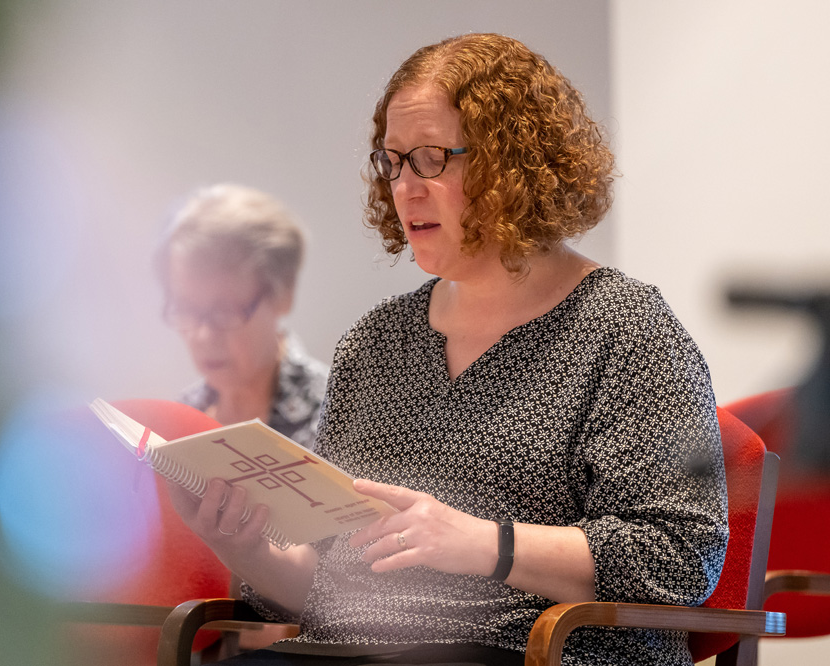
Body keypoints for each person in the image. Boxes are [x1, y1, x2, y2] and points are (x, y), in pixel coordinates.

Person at [167, 34, 728, 666]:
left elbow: (682, 557)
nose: (405, 187)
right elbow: (329, 584)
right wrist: (242, 545)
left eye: (432, 158)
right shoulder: (376, 343)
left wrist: (483, 543)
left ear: (514, 165)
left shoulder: (625, 329)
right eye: (393, 162)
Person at [154, 183, 329, 450]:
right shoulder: (177, 423)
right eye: (186, 309)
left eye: (224, 311)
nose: (203, 335)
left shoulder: (337, 415)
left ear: (283, 294)